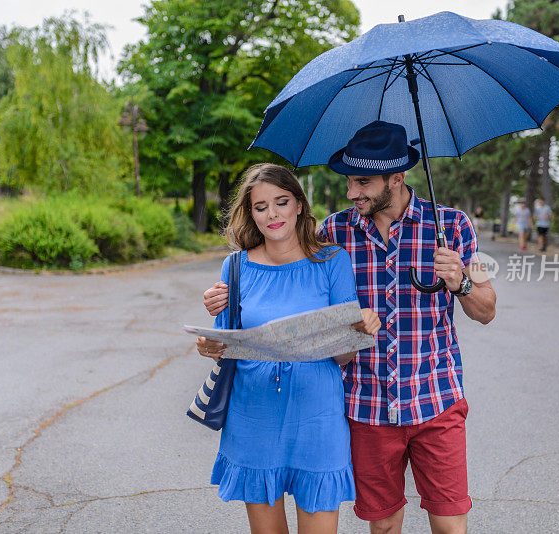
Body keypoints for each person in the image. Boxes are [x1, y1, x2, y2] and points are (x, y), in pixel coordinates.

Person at [203, 121, 497, 534]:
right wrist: (225, 295)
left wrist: (461, 282)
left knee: (450, 525)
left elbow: (486, 309)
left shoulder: (452, 227)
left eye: (362, 182)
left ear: (397, 178)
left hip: (436, 397)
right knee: (384, 526)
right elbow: (289, 277)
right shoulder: (335, 234)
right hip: (367, 406)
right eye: (348, 182)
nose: (351, 193)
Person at [195, 163, 381, 534]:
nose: (273, 214)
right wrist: (207, 344)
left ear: (299, 204)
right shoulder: (236, 267)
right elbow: (223, 344)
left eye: (281, 202)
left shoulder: (332, 261)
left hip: (317, 416)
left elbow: (344, 356)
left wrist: (360, 330)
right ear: (250, 214)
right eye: (261, 207)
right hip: (253, 417)